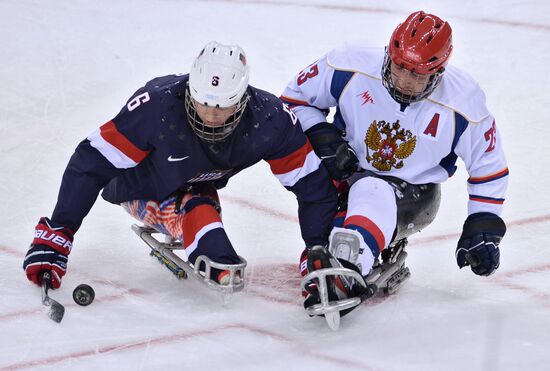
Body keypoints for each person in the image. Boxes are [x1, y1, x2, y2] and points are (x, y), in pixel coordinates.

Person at [23, 41, 337, 289]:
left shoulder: (271, 119)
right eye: (203, 103)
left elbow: (311, 184)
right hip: (140, 187)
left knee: (200, 207)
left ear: (242, 100)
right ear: (189, 90)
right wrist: (58, 232)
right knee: (200, 212)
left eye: (223, 106)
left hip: (197, 183)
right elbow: (91, 161)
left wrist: (318, 250)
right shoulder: (156, 108)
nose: (211, 115)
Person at [282, 11, 508, 312]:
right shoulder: (348, 64)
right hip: (344, 170)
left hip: (413, 193)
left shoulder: (463, 102)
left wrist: (483, 226)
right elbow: (294, 100)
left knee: (371, 191)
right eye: (400, 66)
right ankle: (326, 257)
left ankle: (348, 264)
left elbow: (489, 168)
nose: (404, 80)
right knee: (316, 207)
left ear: (438, 73)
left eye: (417, 74)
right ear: (389, 53)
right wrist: (324, 135)